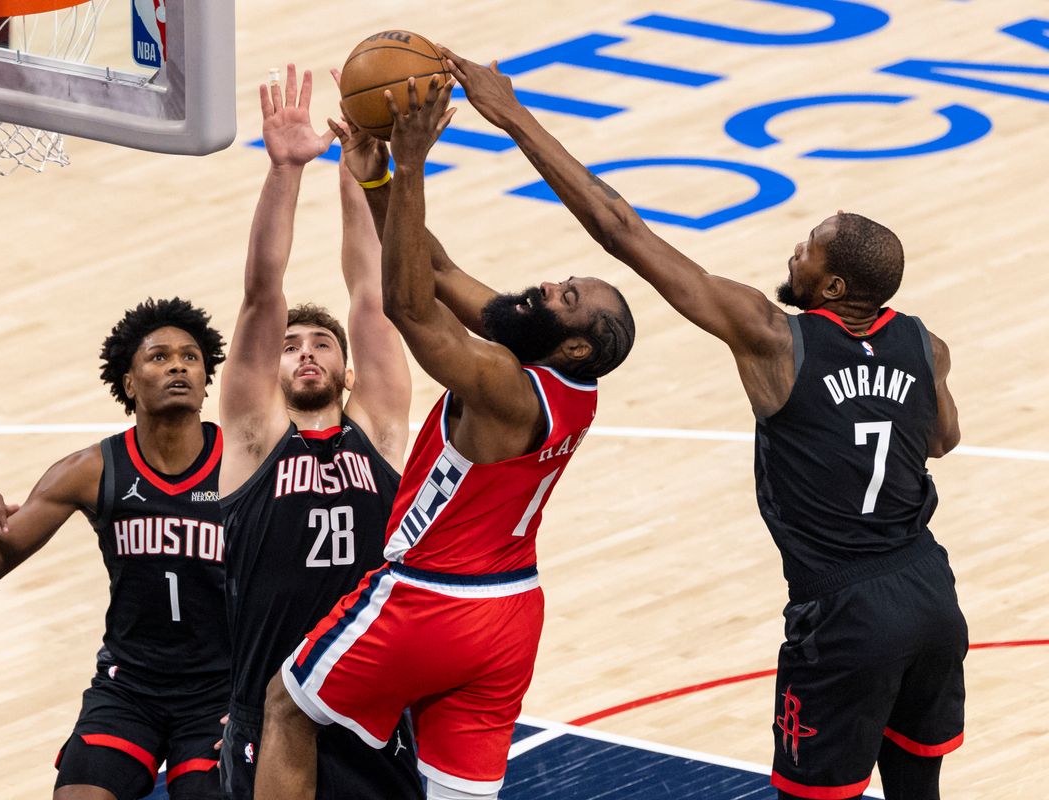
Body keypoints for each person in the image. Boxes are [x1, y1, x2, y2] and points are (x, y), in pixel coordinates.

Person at [441, 48, 967, 800]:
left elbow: (623, 231)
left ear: (835, 284)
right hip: (929, 592)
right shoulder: (927, 345)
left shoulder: (772, 335)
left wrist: (514, 116)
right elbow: (941, 440)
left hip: (846, 611)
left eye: (809, 247)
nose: (796, 248)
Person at [253, 75, 637, 800]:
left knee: (286, 704)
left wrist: (416, 160)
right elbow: (438, 268)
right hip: (510, 615)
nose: (550, 288)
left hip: (432, 597)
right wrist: (375, 178)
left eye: (570, 297)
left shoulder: (500, 381)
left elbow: (408, 302)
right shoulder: (560, 379)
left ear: (580, 346)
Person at [215, 64, 420, 800]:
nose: (304, 351)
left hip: (369, 711)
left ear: (350, 371)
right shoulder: (251, 437)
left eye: (321, 344)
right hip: (267, 707)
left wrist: (361, 167)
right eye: (291, 345)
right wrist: (285, 169)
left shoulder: (379, 428)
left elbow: (374, 290)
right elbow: (260, 293)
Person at [0, 298, 230, 800]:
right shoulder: (92, 470)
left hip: (221, 688)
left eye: (191, 357)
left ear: (206, 378)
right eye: (158, 357)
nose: (177, 365)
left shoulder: (241, 463)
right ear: (129, 383)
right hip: (130, 686)